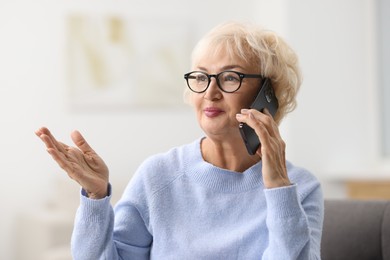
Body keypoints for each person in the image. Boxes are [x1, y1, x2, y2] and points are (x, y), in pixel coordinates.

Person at [36, 21, 323, 259]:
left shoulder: (300, 189)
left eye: (230, 77)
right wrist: (97, 197)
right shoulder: (157, 175)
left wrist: (277, 188)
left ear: (267, 96)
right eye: (201, 77)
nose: (210, 92)